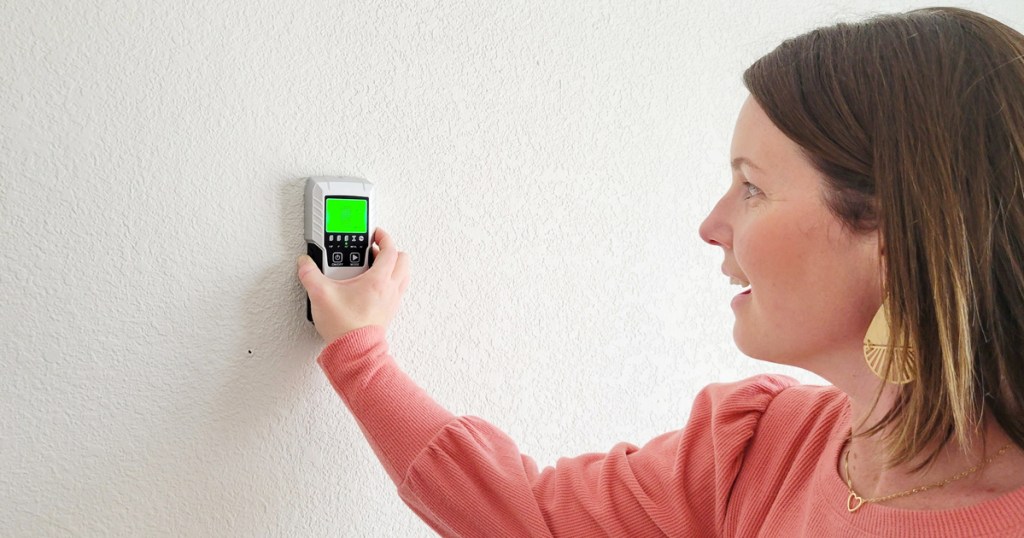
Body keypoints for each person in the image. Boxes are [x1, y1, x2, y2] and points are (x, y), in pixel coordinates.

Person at [296, 6, 1024, 536]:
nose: (712, 227)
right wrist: (362, 355)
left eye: (752, 187)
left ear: (896, 231)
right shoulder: (757, 446)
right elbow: (527, 515)